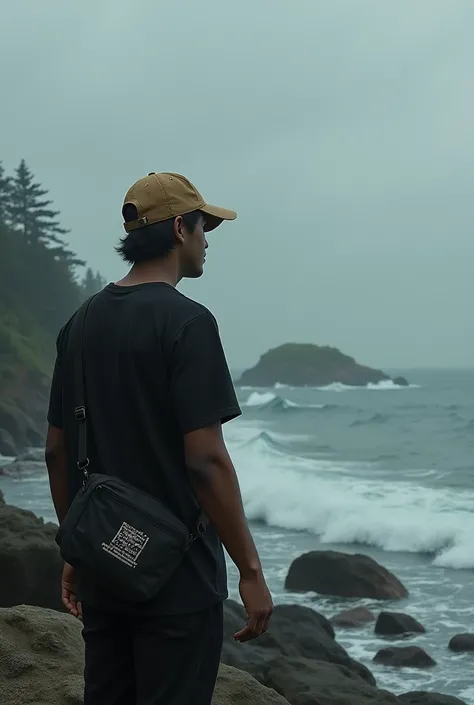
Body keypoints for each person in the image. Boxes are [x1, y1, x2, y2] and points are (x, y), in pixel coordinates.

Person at [45, 171, 273, 705]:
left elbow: (56, 451)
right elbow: (207, 462)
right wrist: (251, 572)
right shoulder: (188, 323)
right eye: (202, 227)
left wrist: (77, 547)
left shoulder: (79, 323)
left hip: (106, 568)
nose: (206, 239)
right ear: (178, 229)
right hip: (178, 580)